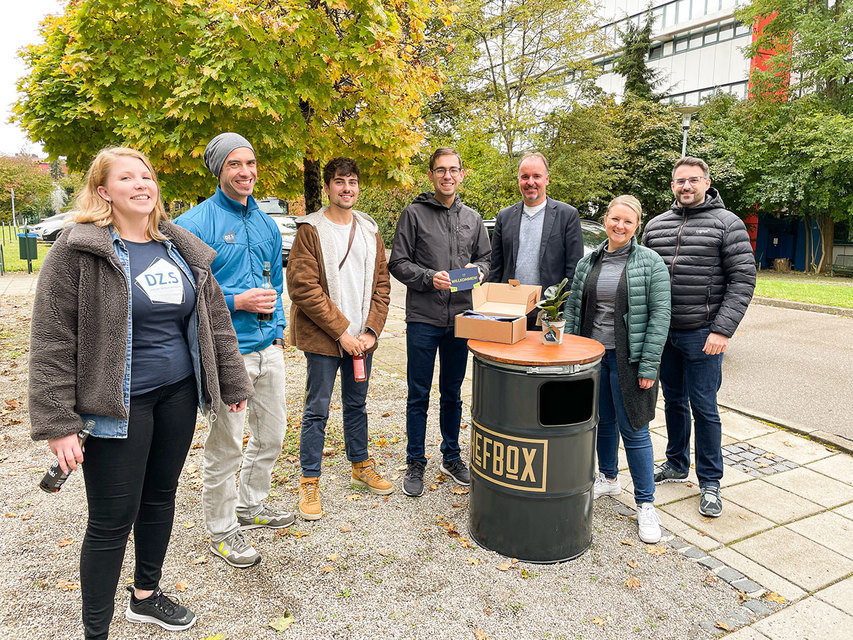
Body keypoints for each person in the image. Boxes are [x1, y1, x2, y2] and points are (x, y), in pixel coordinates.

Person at [28, 147, 253, 639]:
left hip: (177, 395)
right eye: (126, 177)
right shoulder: (78, 250)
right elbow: (51, 339)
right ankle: (96, 631)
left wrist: (231, 382)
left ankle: (146, 598)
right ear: (104, 191)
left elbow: (214, 320)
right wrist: (58, 423)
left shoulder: (179, 247)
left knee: (160, 498)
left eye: (146, 175)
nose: (141, 184)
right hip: (114, 407)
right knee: (111, 521)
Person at [174, 133, 292, 567]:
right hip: (228, 354)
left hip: (268, 348)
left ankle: (251, 505)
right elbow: (184, 296)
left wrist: (277, 329)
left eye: (251, 163)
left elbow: (274, 283)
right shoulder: (194, 224)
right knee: (226, 445)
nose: (246, 172)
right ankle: (222, 529)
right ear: (218, 170)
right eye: (234, 165)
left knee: (273, 434)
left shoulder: (263, 220)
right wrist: (237, 302)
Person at [643, 157, 756, 517]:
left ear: (707, 182)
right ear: (672, 185)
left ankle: (710, 481)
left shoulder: (728, 225)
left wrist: (722, 329)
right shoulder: (656, 225)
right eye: (679, 181)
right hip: (664, 334)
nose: (685, 186)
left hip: (703, 333)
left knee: (704, 407)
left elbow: (743, 280)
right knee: (673, 401)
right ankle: (677, 462)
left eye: (693, 180)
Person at [286, 158, 393, 520]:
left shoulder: (369, 230)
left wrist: (369, 332)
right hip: (324, 340)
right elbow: (303, 288)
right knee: (317, 409)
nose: (347, 188)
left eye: (352, 181)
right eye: (339, 182)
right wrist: (342, 333)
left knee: (356, 404)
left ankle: (360, 464)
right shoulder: (311, 230)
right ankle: (309, 479)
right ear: (328, 188)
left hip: (362, 341)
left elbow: (382, 285)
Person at [565, 195, 671, 544]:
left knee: (636, 429)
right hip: (595, 358)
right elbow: (574, 311)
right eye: (614, 219)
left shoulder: (650, 263)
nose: (619, 226)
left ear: (636, 225)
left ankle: (645, 504)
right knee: (603, 423)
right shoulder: (588, 261)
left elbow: (660, 317)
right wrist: (570, 353)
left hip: (631, 360)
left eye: (627, 221)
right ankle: (608, 478)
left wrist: (649, 365)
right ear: (606, 219)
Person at [388, 147, 491, 497]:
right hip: (423, 318)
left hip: (461, 318)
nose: (447, 176)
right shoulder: (413, 215)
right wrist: (429, 277)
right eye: (440, 170)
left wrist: (480, 271)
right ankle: (415, 460)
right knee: (418, 394)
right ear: (431, 175)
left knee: (452, 392)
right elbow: (398, 262)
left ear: (462, 174)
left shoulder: (473, 219)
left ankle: (451, 455)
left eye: (453, 170)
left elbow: (486, 259)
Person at [487, 152, 584, 328]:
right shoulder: (505, 216)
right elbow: (496, 267)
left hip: (549, 313)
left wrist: (563, 313)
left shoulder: (567, 215)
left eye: (536, 176)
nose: (530, 182)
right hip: (509, 311)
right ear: (518, 180)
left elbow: (574, 272)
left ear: (546, 179)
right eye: (525, 177)